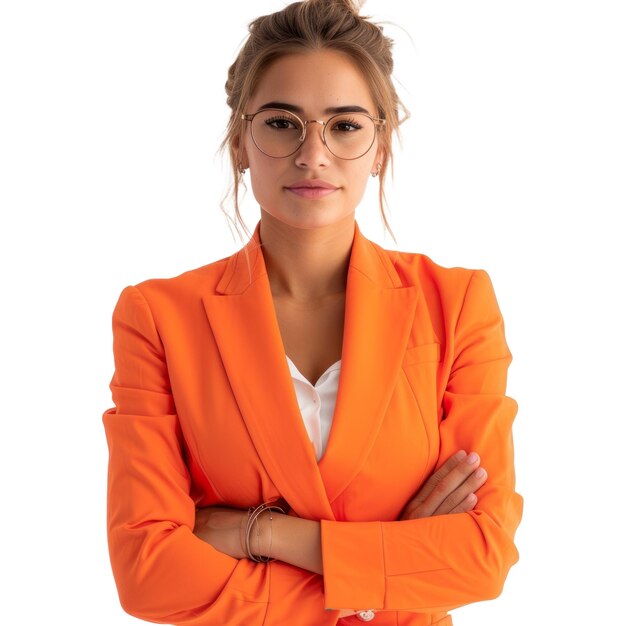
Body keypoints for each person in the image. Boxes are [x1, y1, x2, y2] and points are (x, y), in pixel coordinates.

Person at [102, 0, 523, 624]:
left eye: (345, 126)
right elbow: (146, 574)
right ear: (241, 141)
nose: (312, 154)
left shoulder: (456, 304)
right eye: (281, 123)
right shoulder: (159, 317)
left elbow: (483, 556)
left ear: (380, 144)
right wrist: (388, 568)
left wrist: (262, 535)